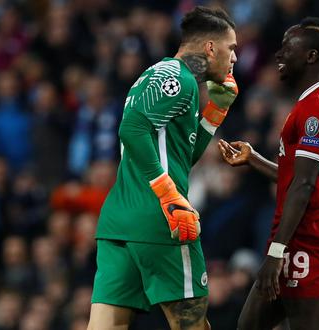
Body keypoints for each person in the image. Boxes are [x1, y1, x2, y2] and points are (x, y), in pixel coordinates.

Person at [88, 6, 239, 330]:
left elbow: (179, 155)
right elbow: (131, 128)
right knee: (193, 326)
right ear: (210, 48)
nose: (234, 59)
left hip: (120, 223)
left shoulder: (164, 76)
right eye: (231, 48)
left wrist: (215, 113)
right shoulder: (177, 78)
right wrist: (168, 194)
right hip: (162, 221)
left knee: (106, 326)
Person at [218, 17, 319, 330]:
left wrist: (276, 253)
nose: (278, 55)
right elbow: (303, 178)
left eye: (287, 49)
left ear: (311, 56)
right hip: (300, 234)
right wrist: (255, 160)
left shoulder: (316, 109)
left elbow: (304, 186)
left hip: (309, 238)